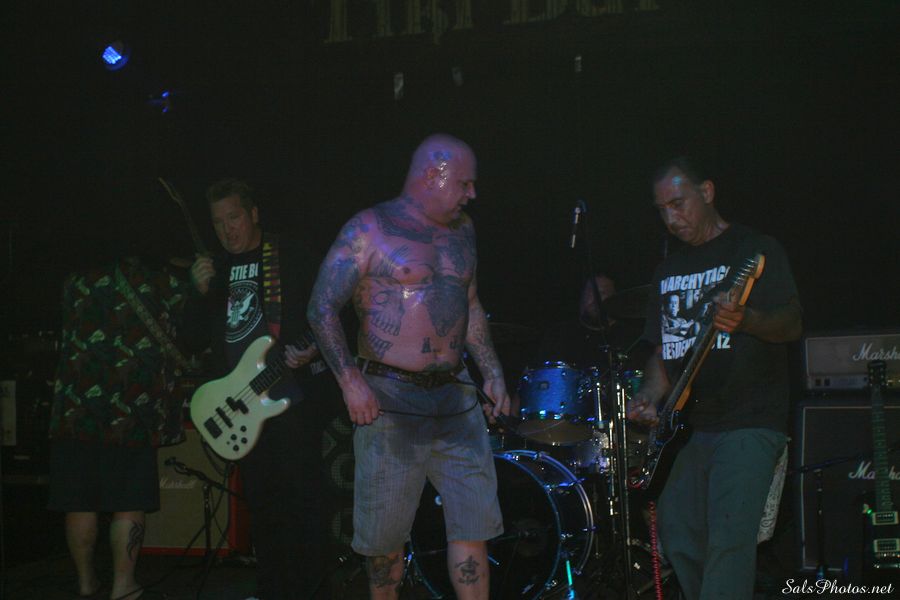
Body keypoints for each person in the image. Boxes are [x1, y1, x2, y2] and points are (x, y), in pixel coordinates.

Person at [307, 134, 510, 600]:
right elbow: (321, 307)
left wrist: (493, 372)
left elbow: (471, 304)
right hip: (390, 398)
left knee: (473, 527)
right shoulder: (369, 228)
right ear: (432, 174)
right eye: (464, 183)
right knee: (385, 545)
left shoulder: (464, 230)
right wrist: (349, 380)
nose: (472, 193)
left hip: (456, 396)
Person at [627, 156, 802, 600]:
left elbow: (790, 324)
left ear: (706, 192)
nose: (671, 218)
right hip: (693, 430)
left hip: (750, 420)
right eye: (662, 210)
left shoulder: (755, 249)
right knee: (677, 531)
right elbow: (663, 353)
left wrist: (747, 320)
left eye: (678, 204)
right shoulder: (667, 272)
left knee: (729, 540)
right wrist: (648, 396)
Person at [185, 179, 335, 599]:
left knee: (303, 505)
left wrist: (314, 348)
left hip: (291, 401)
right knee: (264, 510)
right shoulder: (215, 270)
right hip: (241, 408)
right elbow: (190, 340)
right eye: (218, 222)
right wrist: (197, 294)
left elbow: (329, 310)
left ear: (253, 214)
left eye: (234, 217)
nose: (226, 229)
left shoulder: (290, 255)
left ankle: (311, 592)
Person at [47, 255, 195, 600]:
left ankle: (86, 582)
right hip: (130, 411)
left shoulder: (73, 281)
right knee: (128, 500)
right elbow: (191, 329)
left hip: (75, 411)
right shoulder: (159, 281)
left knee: (79, 501)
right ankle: (123, 585)